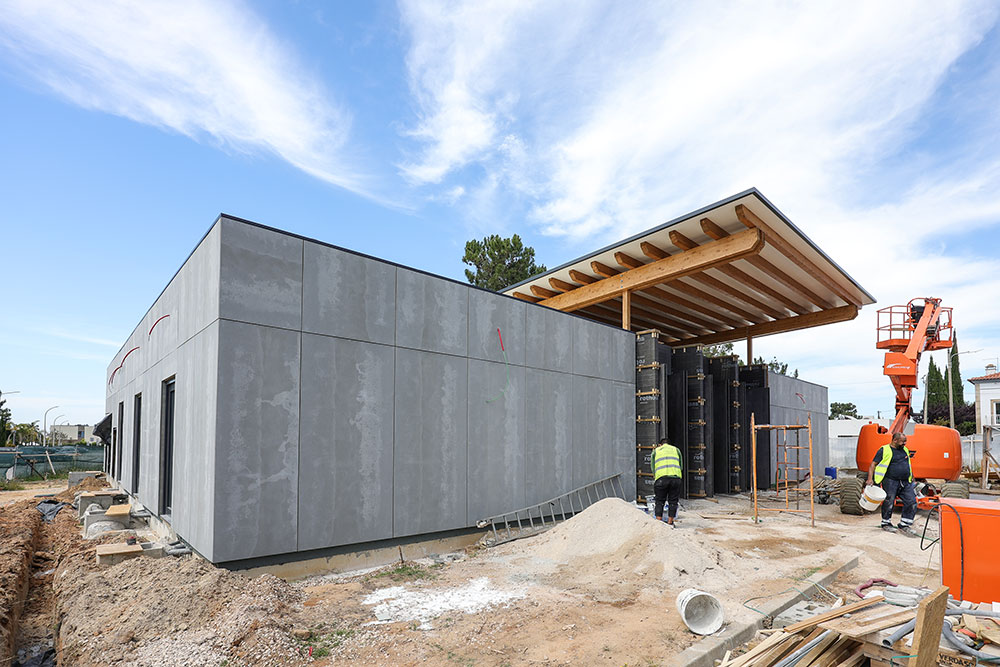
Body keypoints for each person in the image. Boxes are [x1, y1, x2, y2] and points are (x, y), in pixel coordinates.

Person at [866, 432, 917, 536]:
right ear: (895, 440)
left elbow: (907, 464)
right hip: (890, 481)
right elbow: (873, 464)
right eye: (903, 441)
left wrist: (912, 477)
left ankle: (904, 524)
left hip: (905, 481)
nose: (905, 444)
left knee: (911, 501)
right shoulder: (884, 450)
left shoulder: (905, 450)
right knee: (889, 501)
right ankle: (886, 523)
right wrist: (870, 479)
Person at [651, 438, 683, 526]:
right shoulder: (676, 450)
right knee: (673, 501)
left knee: (659, 501)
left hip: (661, 479)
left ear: (660, 445)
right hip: (676, 478)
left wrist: (656, 476)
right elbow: (681, 466)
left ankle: (658, 522)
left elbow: (653, 467)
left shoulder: (656, 451)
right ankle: (670, 522)